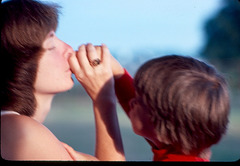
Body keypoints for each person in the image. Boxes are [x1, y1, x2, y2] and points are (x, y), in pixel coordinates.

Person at [1, 0, 125, 161]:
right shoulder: (20, 130)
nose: (68, 49)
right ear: (18, 63)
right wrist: (104, 99)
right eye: (51, 45)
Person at [111, 55, 230, 161]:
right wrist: (116, 72)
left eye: (138, 102)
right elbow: (135, 100)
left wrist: (104, 102)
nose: (131, 102)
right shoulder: (182, 148)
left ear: (163, 125)